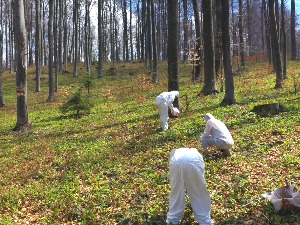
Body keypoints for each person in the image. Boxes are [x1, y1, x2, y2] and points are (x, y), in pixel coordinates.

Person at [166, 148, 213, 225]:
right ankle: (204, 220)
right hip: (194, 162)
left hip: (176, 163)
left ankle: (173, 220)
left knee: (176, 192)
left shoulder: (174, 154)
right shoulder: (196, 154)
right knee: (198, 191)